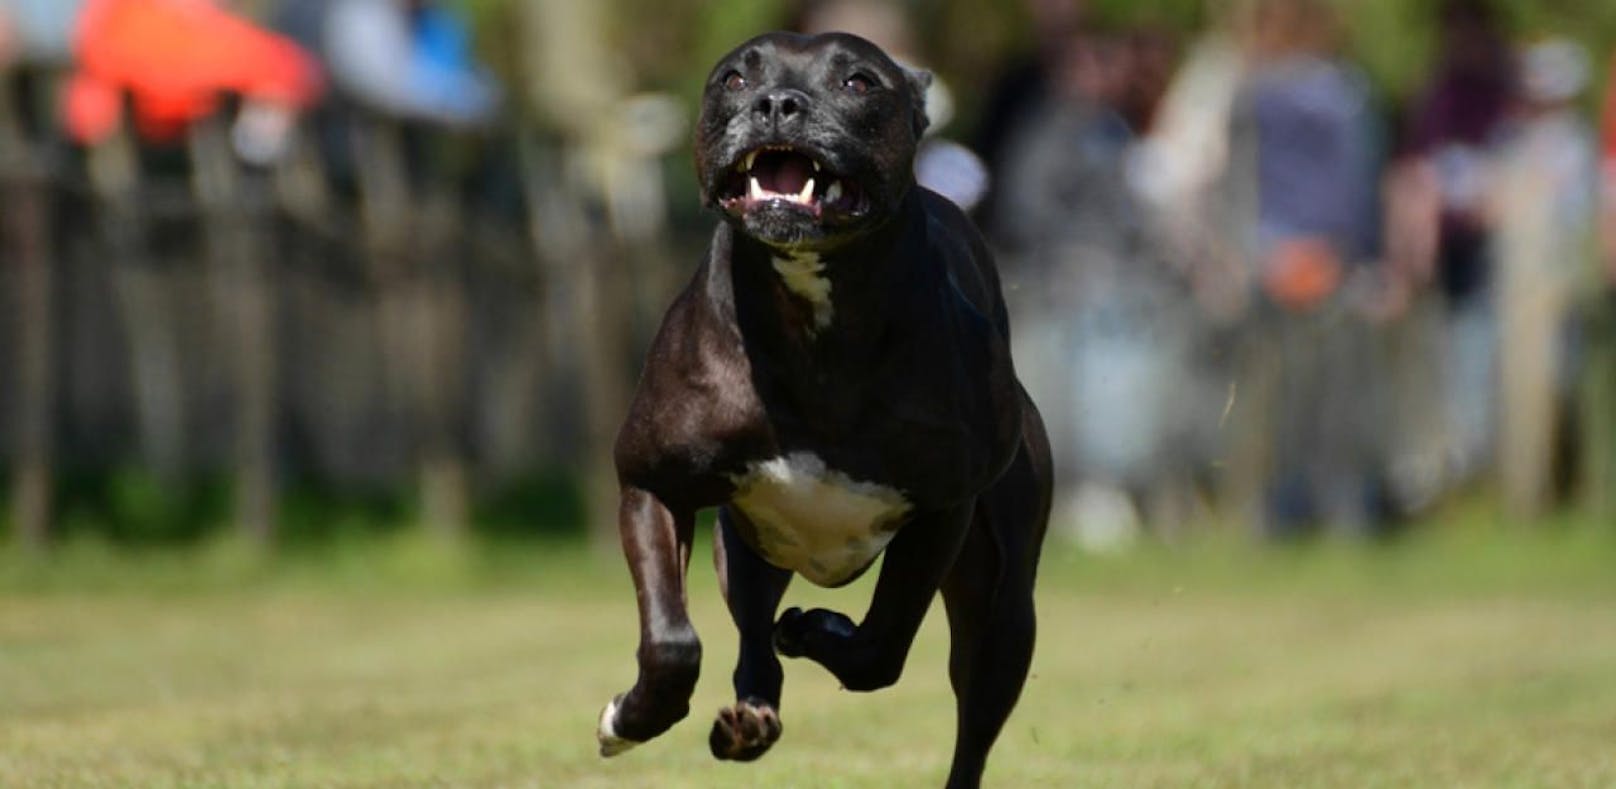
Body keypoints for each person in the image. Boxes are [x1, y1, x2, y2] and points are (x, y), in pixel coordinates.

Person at [1234, 0, 1384, 535]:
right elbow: (1356, 184)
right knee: (1334, 398)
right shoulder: (1339, 92)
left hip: (1275, 254)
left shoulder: (1258, 90)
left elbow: (1246, 184)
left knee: (1278, 400)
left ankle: (1280, 509)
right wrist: (1355, 255)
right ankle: (1335, 508)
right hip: (1322, 256)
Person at [1490, 39, 1598, 519]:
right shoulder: (1513, 138)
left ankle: (1562, 490)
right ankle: (1524, 497)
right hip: (1518, 288)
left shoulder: (1575, 144)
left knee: (1560, 389)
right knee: (1519, 394)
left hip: (1558, 282)